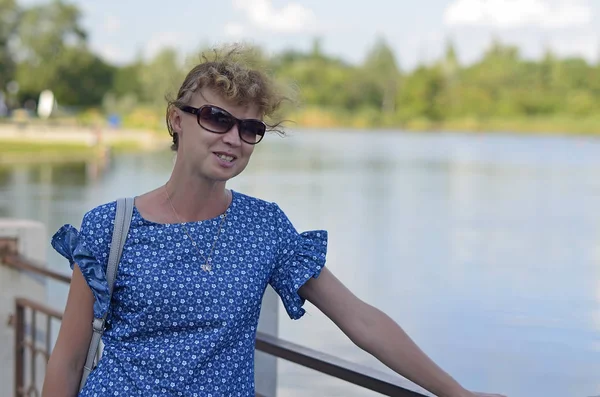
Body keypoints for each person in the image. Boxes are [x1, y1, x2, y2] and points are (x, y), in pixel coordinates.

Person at [42, 45, 507, 397]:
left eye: (250, 129)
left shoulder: (264, 228)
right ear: (176, 120)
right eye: (216, 118)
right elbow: (67, 361)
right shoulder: (111, 225)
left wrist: (456, 393)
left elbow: (360, 320)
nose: (234, 138)